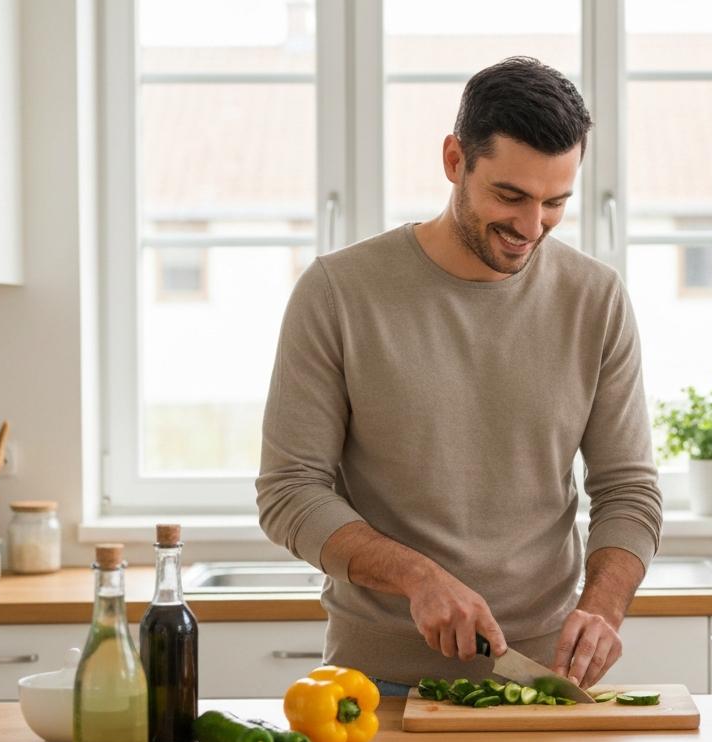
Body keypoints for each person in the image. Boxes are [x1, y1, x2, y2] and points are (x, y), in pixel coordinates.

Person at [257, 57, 662, 695]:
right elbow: (290, 492)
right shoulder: (338, 292)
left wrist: (603, 607)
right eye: (511, 196)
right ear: (455, 160)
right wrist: (417, 577)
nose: (532, 229)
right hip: (375, 684)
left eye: (555, 203)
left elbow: (629, 490)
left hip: (541, 682)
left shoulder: (596, 298)